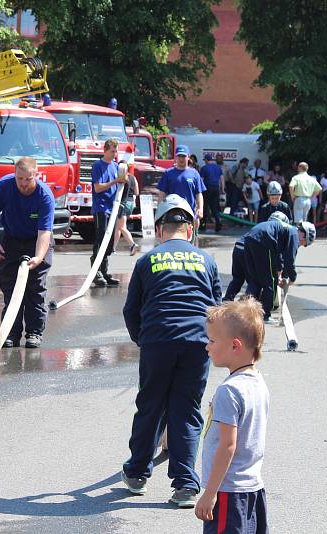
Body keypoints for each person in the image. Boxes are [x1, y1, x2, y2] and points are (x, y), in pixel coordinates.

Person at [121, 194, 222, 508]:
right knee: (187, 411)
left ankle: (137, 474)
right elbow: (216, 310)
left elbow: (130, 310)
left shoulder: (146, 260)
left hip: (158, 341)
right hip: (196, 343)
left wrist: (144, 340)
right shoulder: (207, 261)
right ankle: (185, 486)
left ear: (161, 229)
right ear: (189, 230)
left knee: (150, 406)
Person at [196, 298, 270, 534]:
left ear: (235, 346)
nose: (207, 346)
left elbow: (227, 445)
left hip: (228, 491)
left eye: (212, 340)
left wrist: (210, 493)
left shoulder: (229, 391)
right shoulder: (258, 382)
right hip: (252, 488)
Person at [0, 157, 54, 349]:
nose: (23, 184)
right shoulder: (4, 187)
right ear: (15, 175)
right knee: (11, 287)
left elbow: (44, 232)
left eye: (28, 179)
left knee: (35, 288)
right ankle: (11, 333)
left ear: (36, 175)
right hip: (12, 238)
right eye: (20, 179)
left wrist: (39, 257)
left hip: (37, 240)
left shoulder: (44, 196)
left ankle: (34, 332)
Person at [233, 218, 316, 322]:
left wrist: (279, 270)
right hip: (263, 241)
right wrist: (292, 278)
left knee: (255, 279)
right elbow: (289, 260)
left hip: (251, 238)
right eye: (304, 243)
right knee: (271, 281)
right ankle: (265, 314)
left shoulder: (288, 231)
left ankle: (243, 311)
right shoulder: (294, 235)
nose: (301, 245)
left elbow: (280, 255)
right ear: (303, 234)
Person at [90, 139, 128, 287]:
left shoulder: (115, 166)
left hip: (112, 209)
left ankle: (104, 271)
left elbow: (120, 184)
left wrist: (123, 180)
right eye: (112, 151)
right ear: (105, 150)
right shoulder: (98, 165)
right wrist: (115, 181)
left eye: (116, 151)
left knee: (110, 242)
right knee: (101, 240)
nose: (114, 154)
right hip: (101, 208)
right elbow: (98, 188)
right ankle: (96, 271)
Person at [157, 144, 205, 221]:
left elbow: (199, 194)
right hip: (171, 213)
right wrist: (159, 210)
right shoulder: (168, 173)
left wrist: (200, 209)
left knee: (190, 232)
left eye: (183, 156)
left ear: (188, 157)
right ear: (175, 157)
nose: (181, 159)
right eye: (179, 156)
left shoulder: (195, 174)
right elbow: (162, 193)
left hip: (189, 213)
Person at [114, 167, 139, 255]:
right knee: (118, 226)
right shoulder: (133, 178)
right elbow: (136, 192)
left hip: (123, 203)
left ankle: (132, 244)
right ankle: (113, 248)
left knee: (122, 227)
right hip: (131, 203)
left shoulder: (123, 179)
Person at [200, 154, 224, 232]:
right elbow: (222, 179)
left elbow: (201, 180)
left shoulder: (204, 168)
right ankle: (218, 223)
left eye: (205, 160)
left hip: (207, 188)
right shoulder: (218, 167)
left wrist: (199, 190)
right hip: (216, 188)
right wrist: (222, 189)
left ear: (206, 160)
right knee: (214, 207)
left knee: (205, 206)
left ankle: (203, 225)